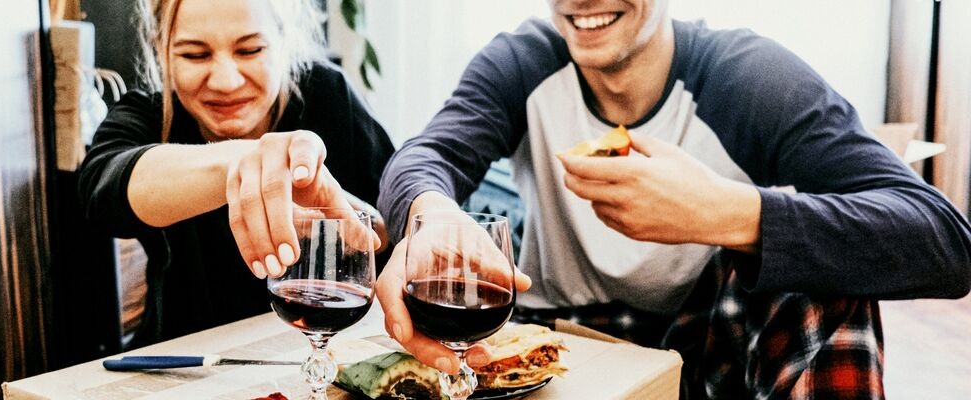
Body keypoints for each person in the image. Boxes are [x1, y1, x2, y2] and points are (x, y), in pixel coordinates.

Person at [374, 0, 971, 398]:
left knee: (826, 277)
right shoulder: (525, 61)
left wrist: (726, 212)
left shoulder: (746, 77)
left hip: (714, 335)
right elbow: (427, 156)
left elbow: (943, 239)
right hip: (562, 334)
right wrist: (434, 216)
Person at [78, 0, 394, 346]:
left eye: (250, 50)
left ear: (283, 42)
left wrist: (346, 217)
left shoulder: (329, 95)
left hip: (328, 349)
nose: (226, 81)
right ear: (162, 50)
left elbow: (393, 228)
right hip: (189, 362)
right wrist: (247, 160)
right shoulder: (148, 115)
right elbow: (104, 191)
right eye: (195, 55)